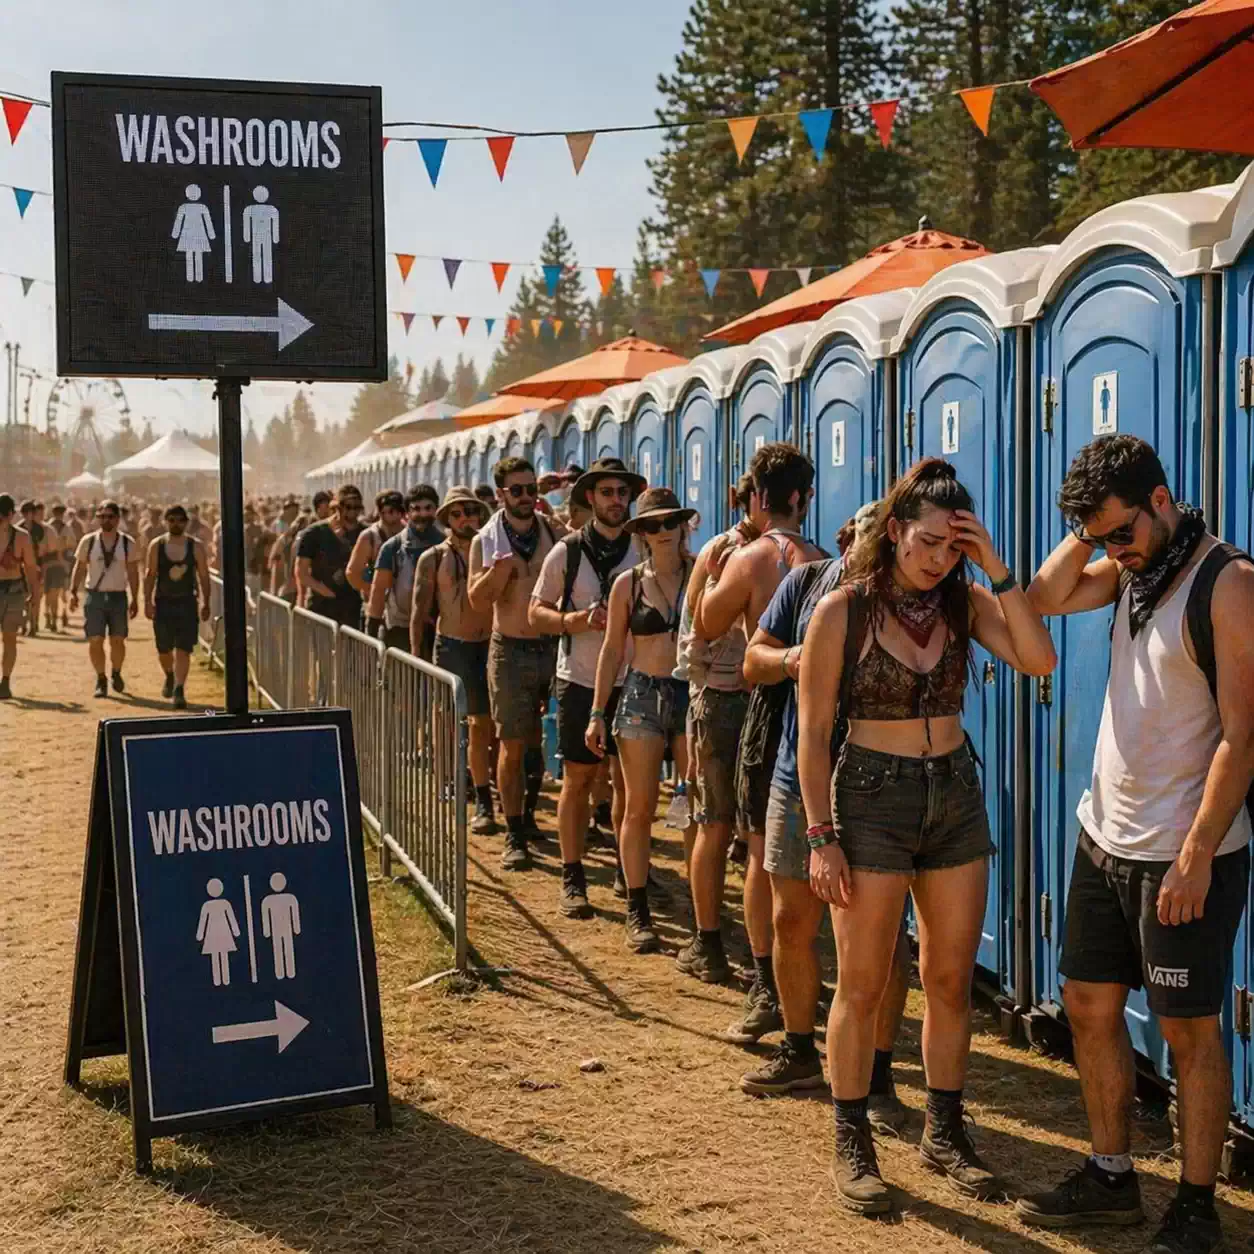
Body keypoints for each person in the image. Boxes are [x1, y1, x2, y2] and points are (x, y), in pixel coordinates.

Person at [797, 459, 1054, 1214]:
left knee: (948, 980)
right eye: (928, 542)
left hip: (955, 798)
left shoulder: (967, 602)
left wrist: (998, 569)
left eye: (954, 546)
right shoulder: (841, 610)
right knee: (866, 982)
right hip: (870, 799)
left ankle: (944, 1131)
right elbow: (813, 737)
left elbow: (1038, 658)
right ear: (895, 530)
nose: (938, 557)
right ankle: (853, 1140)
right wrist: (821, 836)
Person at [1019, 435, 1254, 1254]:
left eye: (1121, 530)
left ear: (1162, 500)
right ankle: (1112, 1174)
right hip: (1103, 833)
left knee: (1188, 1030)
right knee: (1088, 1005)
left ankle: (1195, 1208)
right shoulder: (1130, 568)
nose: (1111, 550)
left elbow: (1244, 736)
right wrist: (1093, 535)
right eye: (1101, 539)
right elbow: (1046, 595)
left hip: (1184, 851)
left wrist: (1194, 856)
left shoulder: (1227, 582)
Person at [737, 502, 910, 1119]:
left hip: (876, 785)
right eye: (863, 539)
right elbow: (752, 658)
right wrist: (793, 660)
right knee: (791, 921)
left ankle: (880, 1072)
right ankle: (800, 1048)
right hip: (796, 778)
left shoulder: (906, 603)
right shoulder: (806, 585)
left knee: (886, 943)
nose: (872, 553)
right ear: (847, 540)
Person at [693, 444, 827, 1044]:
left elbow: (706, 623)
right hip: (815, 716)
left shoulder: (747, 559)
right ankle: (802, 977)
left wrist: (715, 570)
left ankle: (767, 984)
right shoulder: (824, 560)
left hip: (763, 705)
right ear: (803, 498)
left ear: (757, 498)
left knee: (760, 855)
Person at [530, 458, 645, 918]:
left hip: (632, 680)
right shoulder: (568, 551)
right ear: (590, 498)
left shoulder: (642, 548)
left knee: (626, 784)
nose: (617, 500)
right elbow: (535, 614)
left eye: (623, 492)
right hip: (578, 679)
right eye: (607, 492)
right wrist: (575, 620)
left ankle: (627, 867)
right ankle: (572, 876)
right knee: (577, 780)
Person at [586, 488, 695, 950]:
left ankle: (700, 912)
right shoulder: (627, 583)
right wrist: (595, 713)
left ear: (683, 526)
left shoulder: (702, 574)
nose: (663, 532)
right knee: (639, 807)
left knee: (694, 809)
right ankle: (637, 909)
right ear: (642, 534)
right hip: (641, 696)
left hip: (692, 696)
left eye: (670, 522)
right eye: (652, 525)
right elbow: (612, 650)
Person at [674, 474, 766, 985]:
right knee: (717, 823)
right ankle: (709, 941)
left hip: (745, 698)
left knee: (747, 830)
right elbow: (695, 626)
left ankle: (754, 957)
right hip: (721, 696)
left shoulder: (772, 550)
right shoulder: (723, 549)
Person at [468, 458, 559, 871]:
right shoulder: (485, 541)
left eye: (531, 488)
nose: (526, 497)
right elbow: (476, 601)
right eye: (517, 490)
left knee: (540, 739)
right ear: (501, 494)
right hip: (510, 650)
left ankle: (530, 815)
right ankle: (514, 832)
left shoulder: (553, 532)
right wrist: (499, 571)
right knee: (511, 743)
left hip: (552, 648)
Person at [408, 488, 496, 833]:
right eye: (457, 514)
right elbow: (419, 610)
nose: (465, 519)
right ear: (447, 519)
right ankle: (449, 779)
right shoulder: (432, 558)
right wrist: (416, 657)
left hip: (486, 644)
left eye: (471, 512)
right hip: (451, 646)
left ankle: (483, 793)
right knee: (447, 720)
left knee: (482, 724)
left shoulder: (492, 550)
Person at [69, 500, 143, 698]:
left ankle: (116, 672)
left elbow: (134, 572)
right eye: (102, 516)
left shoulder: (127, 543)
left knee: (117, 640)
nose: (106, 520)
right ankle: (101, 678)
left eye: (110, 516)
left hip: (118, 596)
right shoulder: (89, 541)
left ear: (118, 519)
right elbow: (80, 567)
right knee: (95, 640)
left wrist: (136, 599)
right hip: (95, 595)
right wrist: (73, 591)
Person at [143, 504, 211, 709]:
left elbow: (204, 576)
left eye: (180, 520)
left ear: (186, 522)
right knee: (164, 648)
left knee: (183, 648)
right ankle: (170, 675)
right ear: (166, 521)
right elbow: (150, 574)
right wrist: (146, 601)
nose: (175, 523)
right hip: (163, 602)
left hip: (187, 602)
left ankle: (179, 689)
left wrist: (206, 601)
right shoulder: (156, 545)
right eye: (171, 519)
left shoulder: (195, 546)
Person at [366, 485, 443, 651]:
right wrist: (371, 636)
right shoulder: (393, 548)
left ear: (436, 510)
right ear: (407, 513)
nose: (422, 514)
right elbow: (378, 592)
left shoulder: (445, 545)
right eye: (416, 509)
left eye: (428, 508)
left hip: (437, 631)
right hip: (400, 630)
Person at [295, 484, 366, 627]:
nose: (352, 513)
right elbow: (301, 572)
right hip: (322, 609)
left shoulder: (365, 534)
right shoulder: (314, 533)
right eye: (348, 507)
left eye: (356, 508)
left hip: (354, 609)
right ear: (337, 508)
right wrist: (324, 591)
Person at [0, 494, 39, 700]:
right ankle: (5, 681)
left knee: (9, 638)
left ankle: (5, 681)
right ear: (12, 514)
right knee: (9, 639)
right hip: (14, 590)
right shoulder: (22, 536)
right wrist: (34, 592)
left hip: (14, 590)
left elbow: (30, 567)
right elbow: (31, 568)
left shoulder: (22, 537)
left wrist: (34, 592)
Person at [347, 489, 406, 609]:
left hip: (402, 608)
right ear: (380, 512)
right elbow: (352, 573)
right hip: (376, 607)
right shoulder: (370, 537)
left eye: (398, 510)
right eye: (389, 511)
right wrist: (373, 592)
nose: (395, 515)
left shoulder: (408, 534)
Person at [42, 503, 74, 632]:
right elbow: (71, 546)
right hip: (56, 564)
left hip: (54, 564)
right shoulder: (61, 528)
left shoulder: (51, 528)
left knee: (53, 593)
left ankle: (52, 618)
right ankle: (52, 618)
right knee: (54, 593)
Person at [18, 501, 45, 637]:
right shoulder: (17, 529)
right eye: (26, 512)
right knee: (23, 597)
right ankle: (24, 624)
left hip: (36, 567)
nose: (29, 515)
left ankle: (33, 625)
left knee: (36, 597)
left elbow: (41, 550)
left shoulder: (39, 530)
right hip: (20, 568)